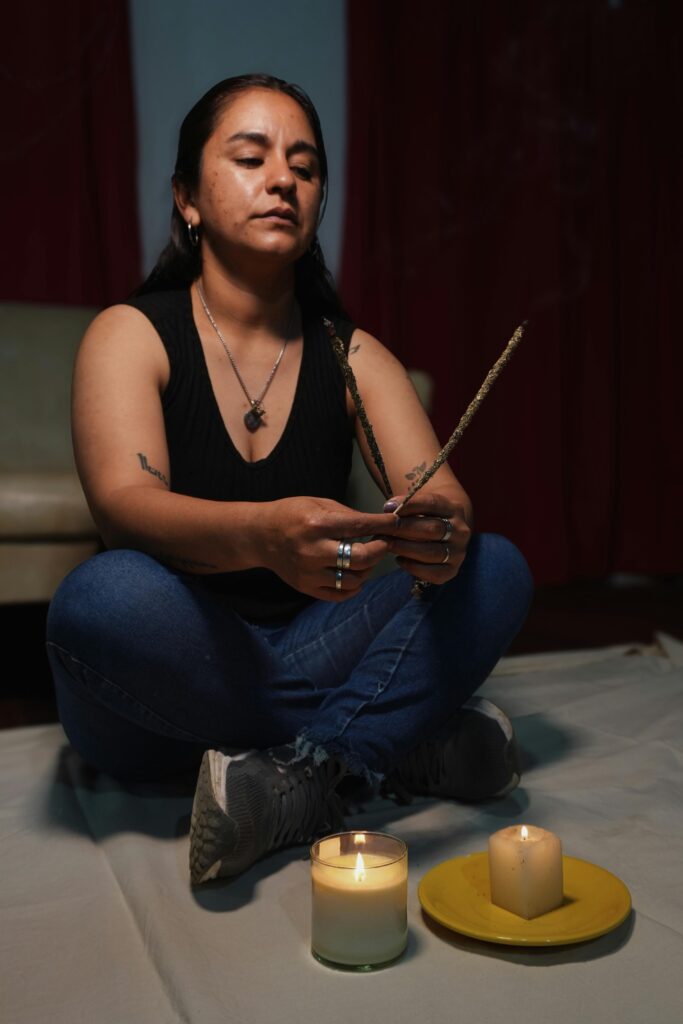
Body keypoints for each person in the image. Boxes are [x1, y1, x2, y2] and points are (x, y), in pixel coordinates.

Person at [46, 73, 533, 886]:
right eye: (251, 158)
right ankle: (394, 738)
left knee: (495, 569)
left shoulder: (352, 354)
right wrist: (263, 536)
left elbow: (438, 493)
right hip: (170, 670)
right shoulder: (129, 333)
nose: (282, 180)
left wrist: (441, 528)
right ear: (186, 199)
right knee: (99, 600)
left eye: (304, 168)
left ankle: (310, 773)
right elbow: (125, 510)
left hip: (314, 637)